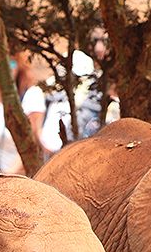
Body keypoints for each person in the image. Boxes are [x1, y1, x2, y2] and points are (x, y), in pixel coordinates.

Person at [40, 25, 119, 157]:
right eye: (94, 41)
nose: (99, 48)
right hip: (56, 151)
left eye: (105, 41)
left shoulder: (114, 82)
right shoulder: (78, 63)